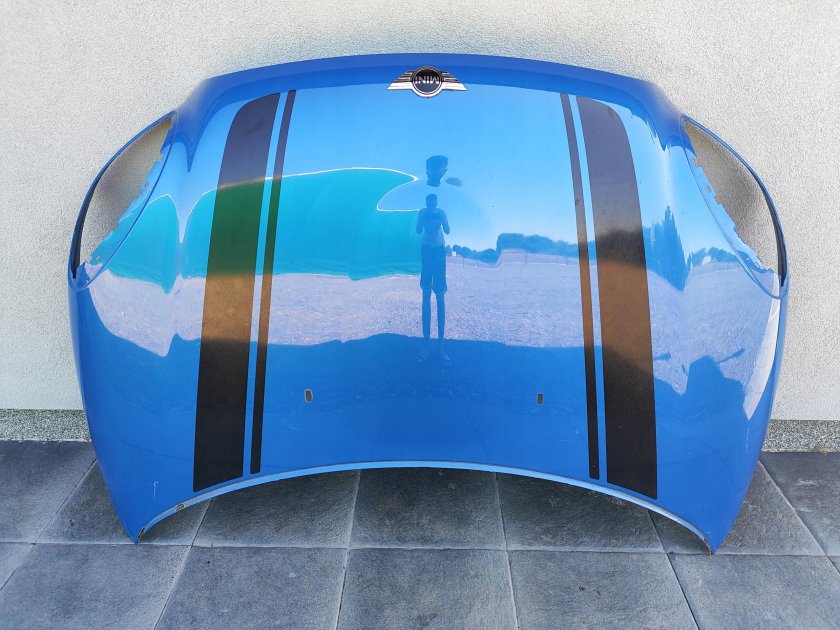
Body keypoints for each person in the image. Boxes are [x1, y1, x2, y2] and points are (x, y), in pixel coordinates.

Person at [416, 193, 450, 365]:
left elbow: (448, 230)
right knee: (426, 296)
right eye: (429, 201)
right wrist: (422, 219)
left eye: (433, 201)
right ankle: (426, 346)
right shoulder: (422, 212)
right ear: (426, 202)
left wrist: (441, 220)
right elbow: (418, 230)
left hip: (438, 251)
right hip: (427, 250)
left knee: (440, 296)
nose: (431, 204)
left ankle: (441, 348)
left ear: (436, 202)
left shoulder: (441, 212)